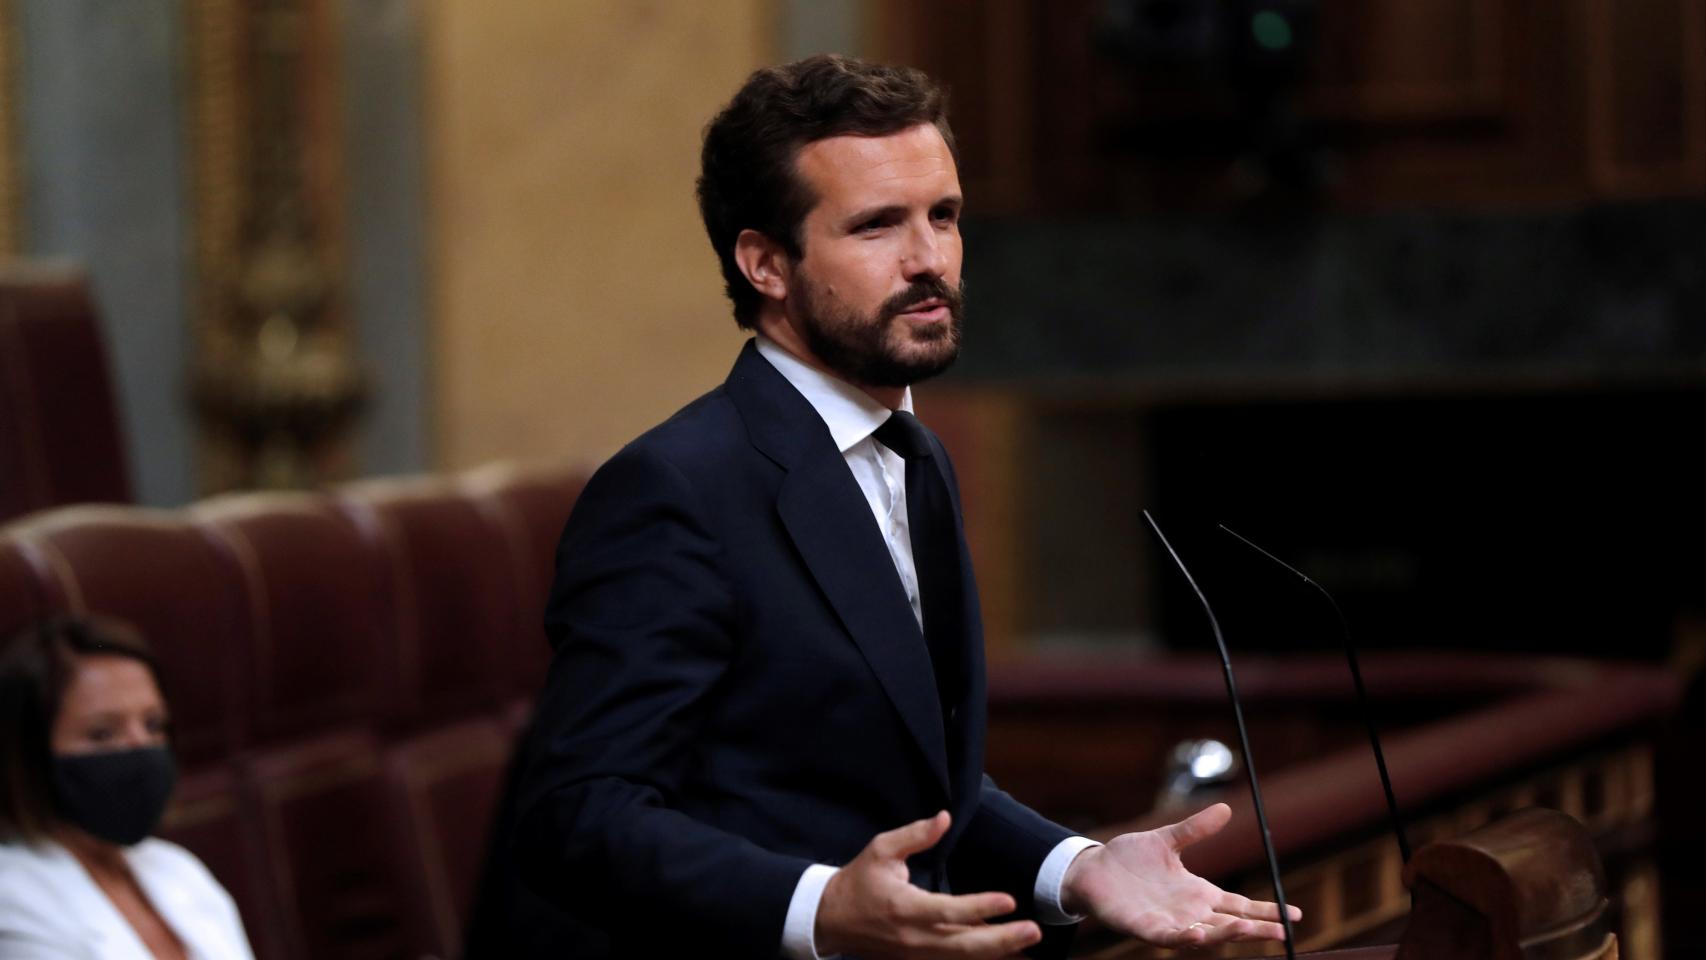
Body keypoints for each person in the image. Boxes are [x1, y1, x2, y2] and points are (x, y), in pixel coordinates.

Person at [513, 54, 1300, 959]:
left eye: (945, 216)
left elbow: (912, 788)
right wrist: (818, 908)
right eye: (878, 226)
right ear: (766, 262)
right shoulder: (676, 491)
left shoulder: (915, 457)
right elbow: (574, 815)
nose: (930, 260)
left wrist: (1076, 867)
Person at [0, 616, 254, 960]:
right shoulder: (12, 896)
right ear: (32, 755)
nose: (141, 747)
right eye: (103, 733)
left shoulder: (178, 869)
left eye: (153, 724)